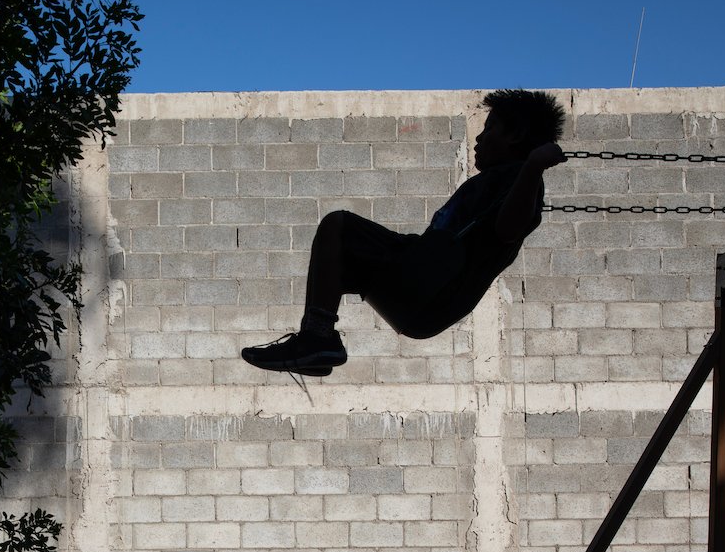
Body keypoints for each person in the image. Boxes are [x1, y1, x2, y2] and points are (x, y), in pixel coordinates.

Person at [242, 89, 568, 376]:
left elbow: (508, 228)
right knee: (336, 254)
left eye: (490, 129)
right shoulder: (498, 180)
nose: (479, 138)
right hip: (422, 285)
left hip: (430, 288)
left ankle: (316, 337)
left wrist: (533, 167)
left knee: (338, 227)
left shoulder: (519, 182)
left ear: (516, 135)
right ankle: (317, 343)